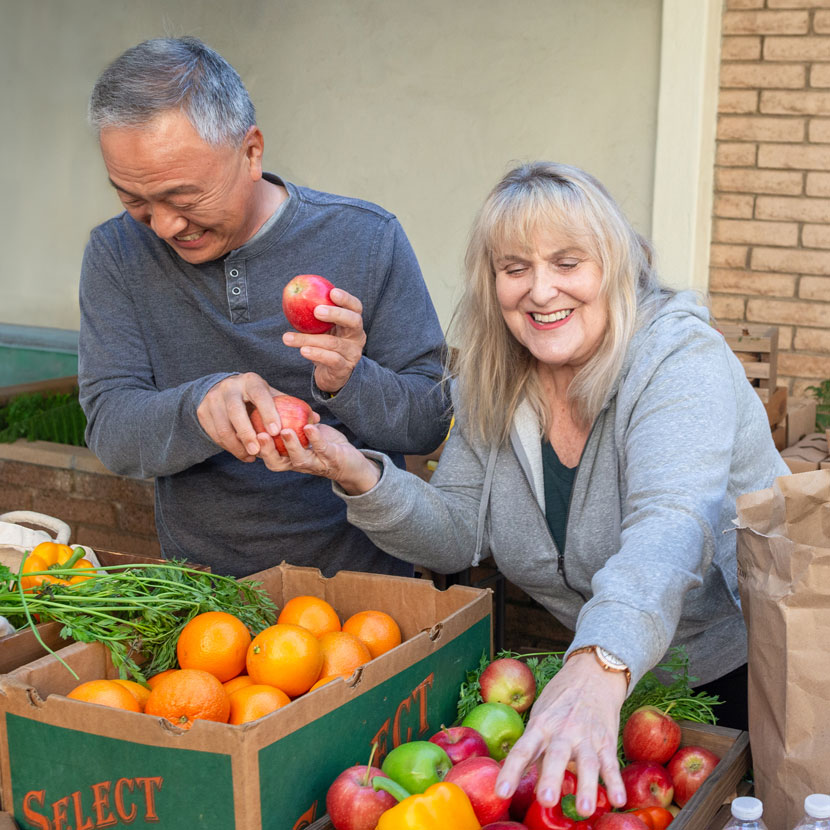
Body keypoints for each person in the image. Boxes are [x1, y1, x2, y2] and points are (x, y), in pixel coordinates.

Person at [258, 162, 789, 814]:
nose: (540, 291)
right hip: (590, 693)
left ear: (615, 267)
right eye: (515, 269)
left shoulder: (679, 360)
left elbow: (673, 522)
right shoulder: (499, 382)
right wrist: (358, 473)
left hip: (733, 682)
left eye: (568, 263)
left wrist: (599, 661)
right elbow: (453, 532)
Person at [78, 37, 450, 578]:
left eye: (183, 200)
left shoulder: (366, 238)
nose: (162, 226)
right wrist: (200, 407)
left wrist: (351, 379)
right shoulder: (115, 254)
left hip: (366, 591)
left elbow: (427, 423)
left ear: (251, 152)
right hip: (207, 597)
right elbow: (112, 429)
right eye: (133, 200)